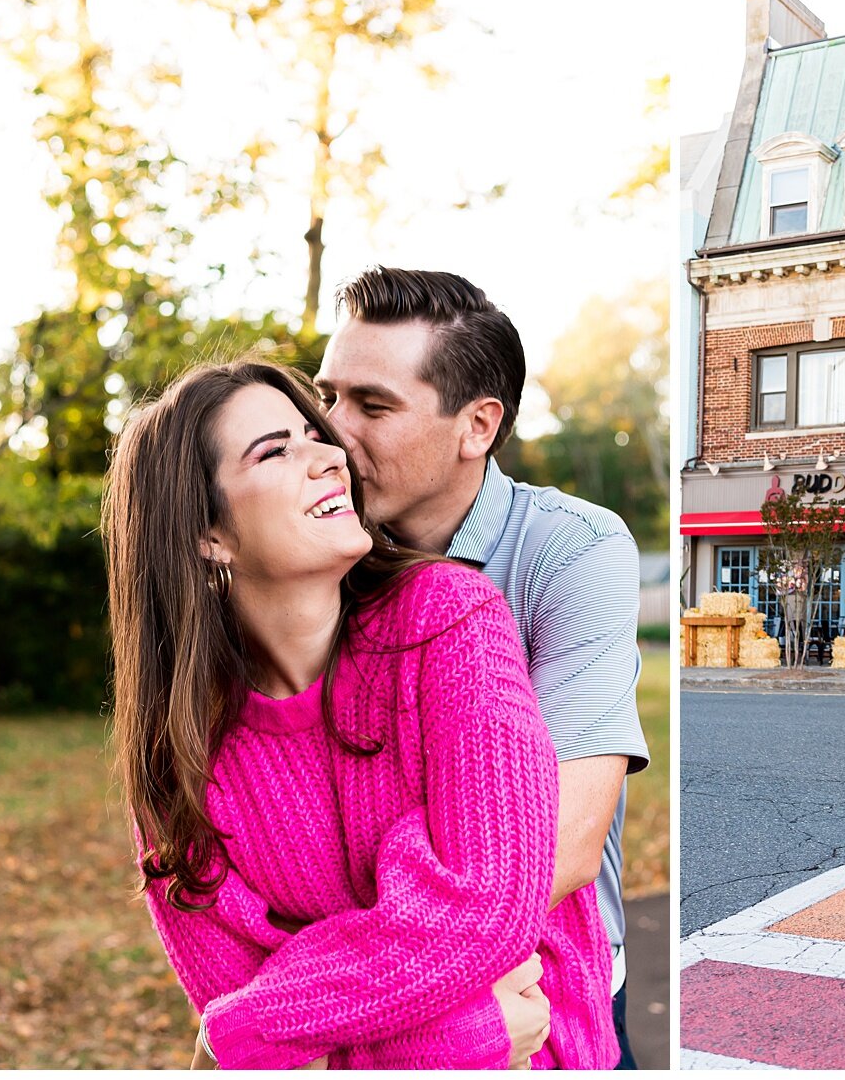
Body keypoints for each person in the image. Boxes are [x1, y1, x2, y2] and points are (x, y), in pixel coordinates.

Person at [102, 360, 618, 1069]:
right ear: (206, 532)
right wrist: (459, 1031)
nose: (328, 457)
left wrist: (283, 1017)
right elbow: (258, 1030)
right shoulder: (180, 762)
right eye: (275, 450)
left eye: (314, 434)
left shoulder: (450, 622)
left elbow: (489, 909)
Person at [315, 267, 649, 1066]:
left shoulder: (572, 549)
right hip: (367, 1011)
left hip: (548, 1000)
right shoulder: (317, 555)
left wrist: (315, 976)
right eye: (325, 395)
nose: (329, 430)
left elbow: (561, 845)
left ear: (477, 425)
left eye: (372, 405)